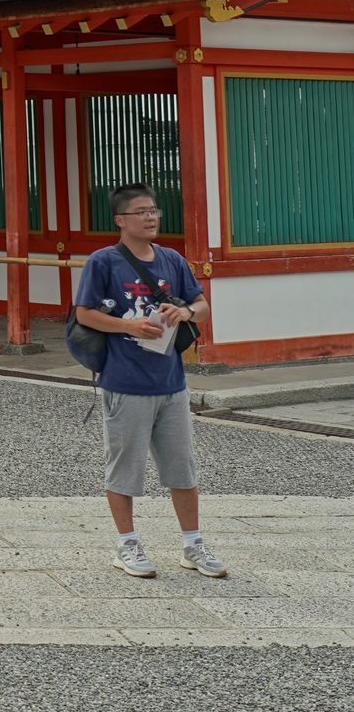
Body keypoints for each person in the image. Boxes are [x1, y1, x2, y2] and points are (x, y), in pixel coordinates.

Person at [74, 182, 226, 580]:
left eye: (154, 210)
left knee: (183, 468)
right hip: (124, 381)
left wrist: (186, 314)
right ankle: (126, 544)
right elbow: (85, 313)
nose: (152, 216)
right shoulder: (103, 262)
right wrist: (126, 324)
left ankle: (193, 544)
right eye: (142, 211)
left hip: (172, 382)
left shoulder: (173, 259)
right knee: (125, 468)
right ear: (121, 220)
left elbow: (203, 306)